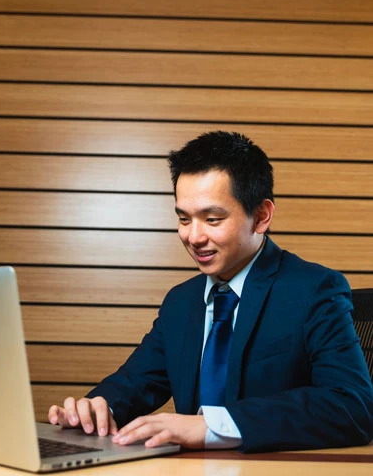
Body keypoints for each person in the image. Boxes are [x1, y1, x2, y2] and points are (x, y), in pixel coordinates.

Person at [49, 131, 373, 452]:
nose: (194, 237)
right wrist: (92, 411)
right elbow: (135, 383)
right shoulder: (181, 301)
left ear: (261, 216)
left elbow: (352, 406)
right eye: (184, 219)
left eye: (212, 219)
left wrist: (212, 426)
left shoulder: (314, 289)